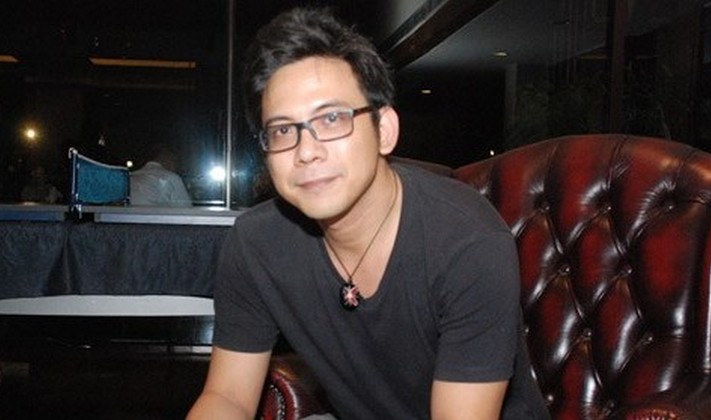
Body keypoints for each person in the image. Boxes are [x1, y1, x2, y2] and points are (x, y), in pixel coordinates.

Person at [188, 7, 549, 420]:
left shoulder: (469, 243)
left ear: (384, 130)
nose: (307, 151)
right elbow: (228, 397)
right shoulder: (256, 243)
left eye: (331, 119)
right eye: (283, 130)